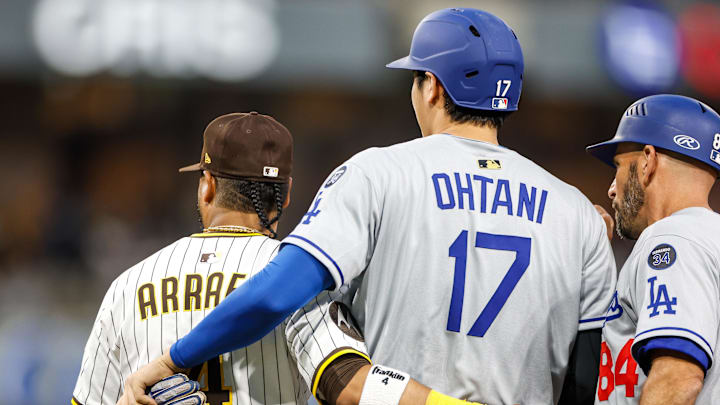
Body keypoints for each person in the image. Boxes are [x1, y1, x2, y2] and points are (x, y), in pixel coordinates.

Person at [117, 8, 617, 405]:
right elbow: (587, 378)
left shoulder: (378, 173)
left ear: (434, 87)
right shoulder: (579, 215)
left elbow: (275, 295)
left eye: (416, 78)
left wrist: (175, 357)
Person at [73, 112, 369, 405]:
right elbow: (352, 389)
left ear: (208, 185)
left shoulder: (127, 286)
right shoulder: (299, 283)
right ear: (286, 193)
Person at [587, 94, 720, 404]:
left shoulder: (672, 237)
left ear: (648, 160)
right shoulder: (706, 238)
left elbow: (677, 379)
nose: (611, 188)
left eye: (619, 166)